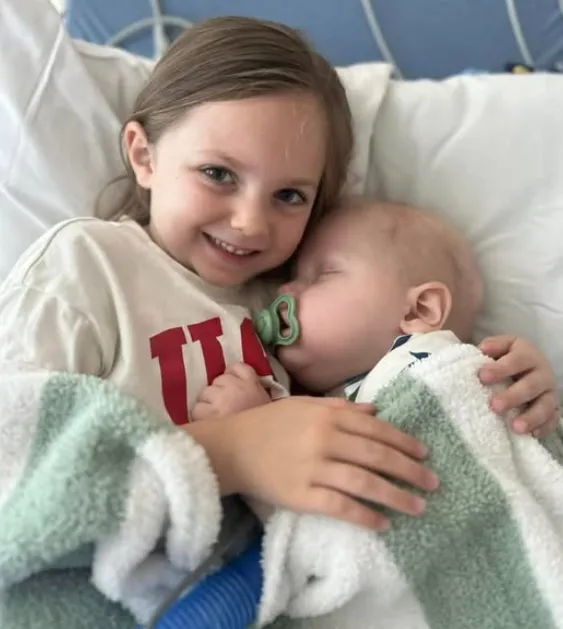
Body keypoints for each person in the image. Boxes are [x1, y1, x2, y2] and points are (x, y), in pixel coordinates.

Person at [0, 16, 557, 628]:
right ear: (144, 155)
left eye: (289, 196)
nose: (249, 222)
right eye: (218, 174)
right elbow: (15, 453)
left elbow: (392, 394)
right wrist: (230, 452)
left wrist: (497, 382)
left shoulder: (286, 303)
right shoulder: (90, 266)